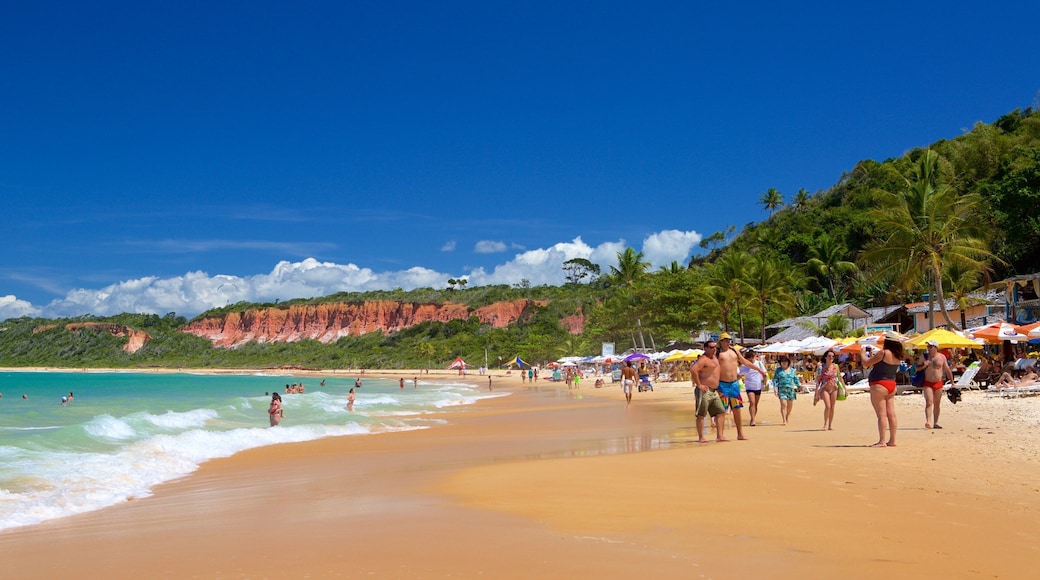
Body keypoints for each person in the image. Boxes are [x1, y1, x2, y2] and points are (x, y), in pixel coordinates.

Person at [716, 333, 764, 441]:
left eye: (728, 340)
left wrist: (758, 369)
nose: (727, 342)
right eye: (725, 340)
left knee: (737, 409)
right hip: (722, 384)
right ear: (720, 341)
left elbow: (744, 361)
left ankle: (740, 434)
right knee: (722, 410)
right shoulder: (717, 352)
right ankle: (720, 435)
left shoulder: (734, 351)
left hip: (734, 384)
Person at [862, 332, 904, 447]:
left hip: (879, 384)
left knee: (881, 414)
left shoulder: (883, 353)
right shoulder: (897, 356)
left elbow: (866, 364)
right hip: (891, 384)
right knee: (891, 413)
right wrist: (871, 356)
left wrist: (862, 354)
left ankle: (882, 441)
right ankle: (892, 440)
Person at [690, 339, 726, 442]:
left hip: (714, 390)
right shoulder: (704, 359)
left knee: (720, 412)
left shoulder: (715, 358)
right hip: (704, 390)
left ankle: (720, 436)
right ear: (705, 348)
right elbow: (693, 370)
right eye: (711, 347)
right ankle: (701, 437)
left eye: (715, 347)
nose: (714, 349)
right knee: (701, 414)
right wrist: (699, 384)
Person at [921, 340, 954, 429]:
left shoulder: (942, 357)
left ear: (935, 347)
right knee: (929, 402)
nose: (928, 348)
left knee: (937, 404)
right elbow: (916, 368)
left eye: (930, 346)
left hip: (938, 383)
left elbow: (947, 369)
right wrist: (924, 365)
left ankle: (935, 423)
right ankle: (928, 421)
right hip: (928, 383)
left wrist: (952, 382)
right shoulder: (924, 356)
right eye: (928, 346)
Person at [738, 350, 767, 426]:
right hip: (749, 387)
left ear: (754, 357)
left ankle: (753, 417)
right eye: (749, 360)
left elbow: (764, 374)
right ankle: (753, 420)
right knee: (752, 402)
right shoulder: (744, 366)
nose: (751, 361)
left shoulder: (759, 364)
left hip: (758, 386)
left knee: (755, 404)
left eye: (752, 359)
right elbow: (739, 375)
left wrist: (764, 384)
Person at [815, 350, 839, 430]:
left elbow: (839, 377)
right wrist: (816, 392)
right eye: (829, 356)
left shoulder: (836, 366)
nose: (831, 357)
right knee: (828, 406)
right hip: (825, 388)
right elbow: (818, 380)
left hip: (834, 388)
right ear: (825, 357)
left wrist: (845, 389)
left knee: (832, 407)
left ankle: (830, 425)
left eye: (832, 356)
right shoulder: (821, 367)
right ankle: (825, 424)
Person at [773, 356, 798, 425]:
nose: (784, 363)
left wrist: (799, 385)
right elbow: (775, 379)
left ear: (788, 362)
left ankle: (787, 416)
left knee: (790, 406)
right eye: (782, 362)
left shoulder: (792, 370)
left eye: (785, 361)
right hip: (782, 389)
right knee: (783, 404)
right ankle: (784, 420)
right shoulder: (778, 370)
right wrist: (775, 388)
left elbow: (795, 378)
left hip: (791, 389)